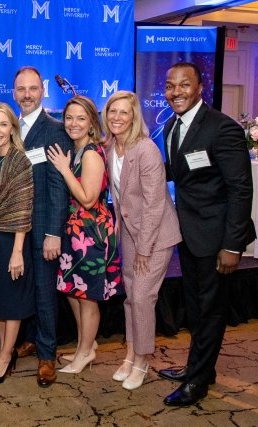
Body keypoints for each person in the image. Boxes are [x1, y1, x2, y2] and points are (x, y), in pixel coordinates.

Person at [159, 62, 255, 406]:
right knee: (197, 308)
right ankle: (200, 368)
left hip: (217, 240)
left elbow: (241, 189)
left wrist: (232, 245)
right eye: (170, 86)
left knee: (211, 309)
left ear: (200, 87)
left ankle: (197, 382)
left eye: (184, 85)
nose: (176, 92)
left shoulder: (222, 128)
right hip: (190, 236)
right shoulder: (172, 126)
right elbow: (178, 175)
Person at [101, 91, 181, 390]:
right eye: (112, 112)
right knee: (131, 297)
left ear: (134, 117)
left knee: (144, 297)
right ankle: (131, 354)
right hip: (130, 232)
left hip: (156, 235)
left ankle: (144, 359)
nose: (117, 117)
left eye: (124, 112)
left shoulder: (146, 150)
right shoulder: (111, 148)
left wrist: (145, 249)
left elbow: (154, 204)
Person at [47, 96, 122, 375]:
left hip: (91, 234)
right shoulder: (76, 149)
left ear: (92, 121)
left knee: (87, 297)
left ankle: (85, 353)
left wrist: (65, 171)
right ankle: (85, 346)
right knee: (72, 292)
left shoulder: (90, 153)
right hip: (74, 232)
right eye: (69, 117)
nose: (73, 123)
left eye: (80, 118)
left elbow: (89, 199)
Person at [12, 66, 73, 387]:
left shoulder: (54, 130)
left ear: (42, 91)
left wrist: (53, 232)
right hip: (16, 227)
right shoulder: (11, 128)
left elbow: (57, 186)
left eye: (32, 88)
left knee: (45, 293)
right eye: (21, 89)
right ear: (13, 92)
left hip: (43, 228)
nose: (26, 94)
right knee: (25, 288)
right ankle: (33, 338)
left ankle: (48, 355)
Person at [0, 102, 34, 384]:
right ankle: (5, 351)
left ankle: (4, 357)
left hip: (14, 240)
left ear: (12, 128)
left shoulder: (19, 161)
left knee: (11, 302)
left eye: (3, 124)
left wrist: (17, 253)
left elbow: (23, 208)